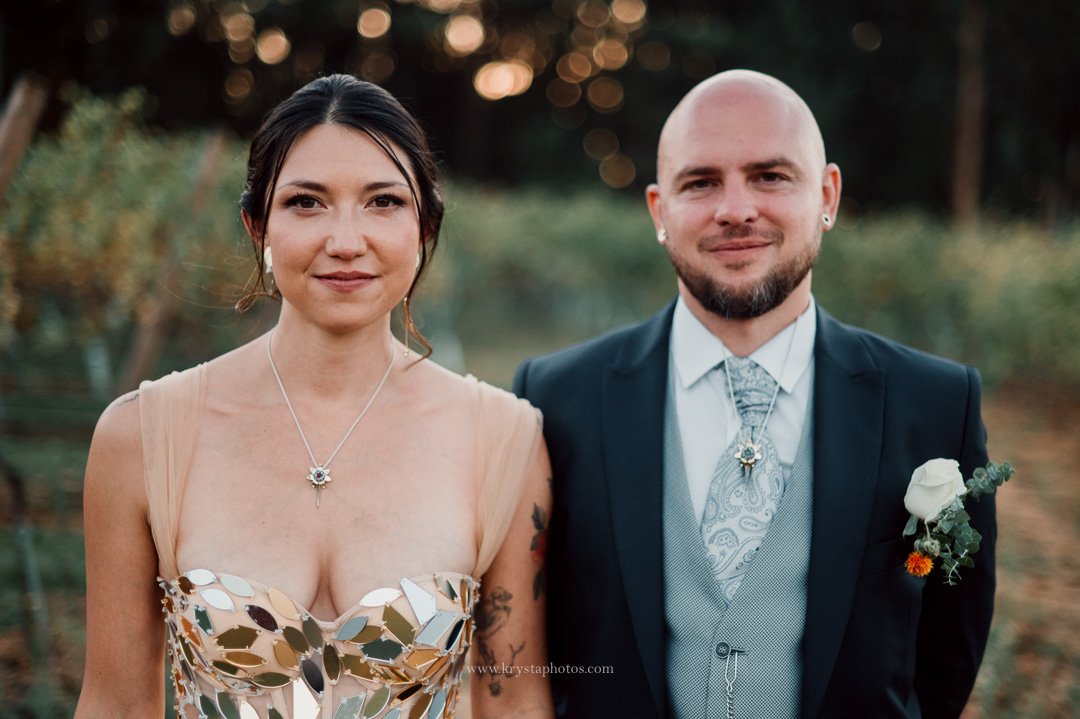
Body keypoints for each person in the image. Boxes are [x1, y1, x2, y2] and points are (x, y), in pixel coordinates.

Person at [513, 69, 995, 718]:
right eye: (700, 182)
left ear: (827, 195)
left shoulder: (935, 404)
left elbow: (946, 659)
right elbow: (532, 656)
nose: (736, 209)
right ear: (659, 211)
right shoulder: (553, 400)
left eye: (770, 176)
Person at [75, 74, 554, 719]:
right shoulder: (142, 436)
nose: (346, 242)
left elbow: (517, 706)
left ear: (424, 226)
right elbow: (115, 704)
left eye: (383, 201)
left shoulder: (505, 441)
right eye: (306, 202)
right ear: (257, 227)